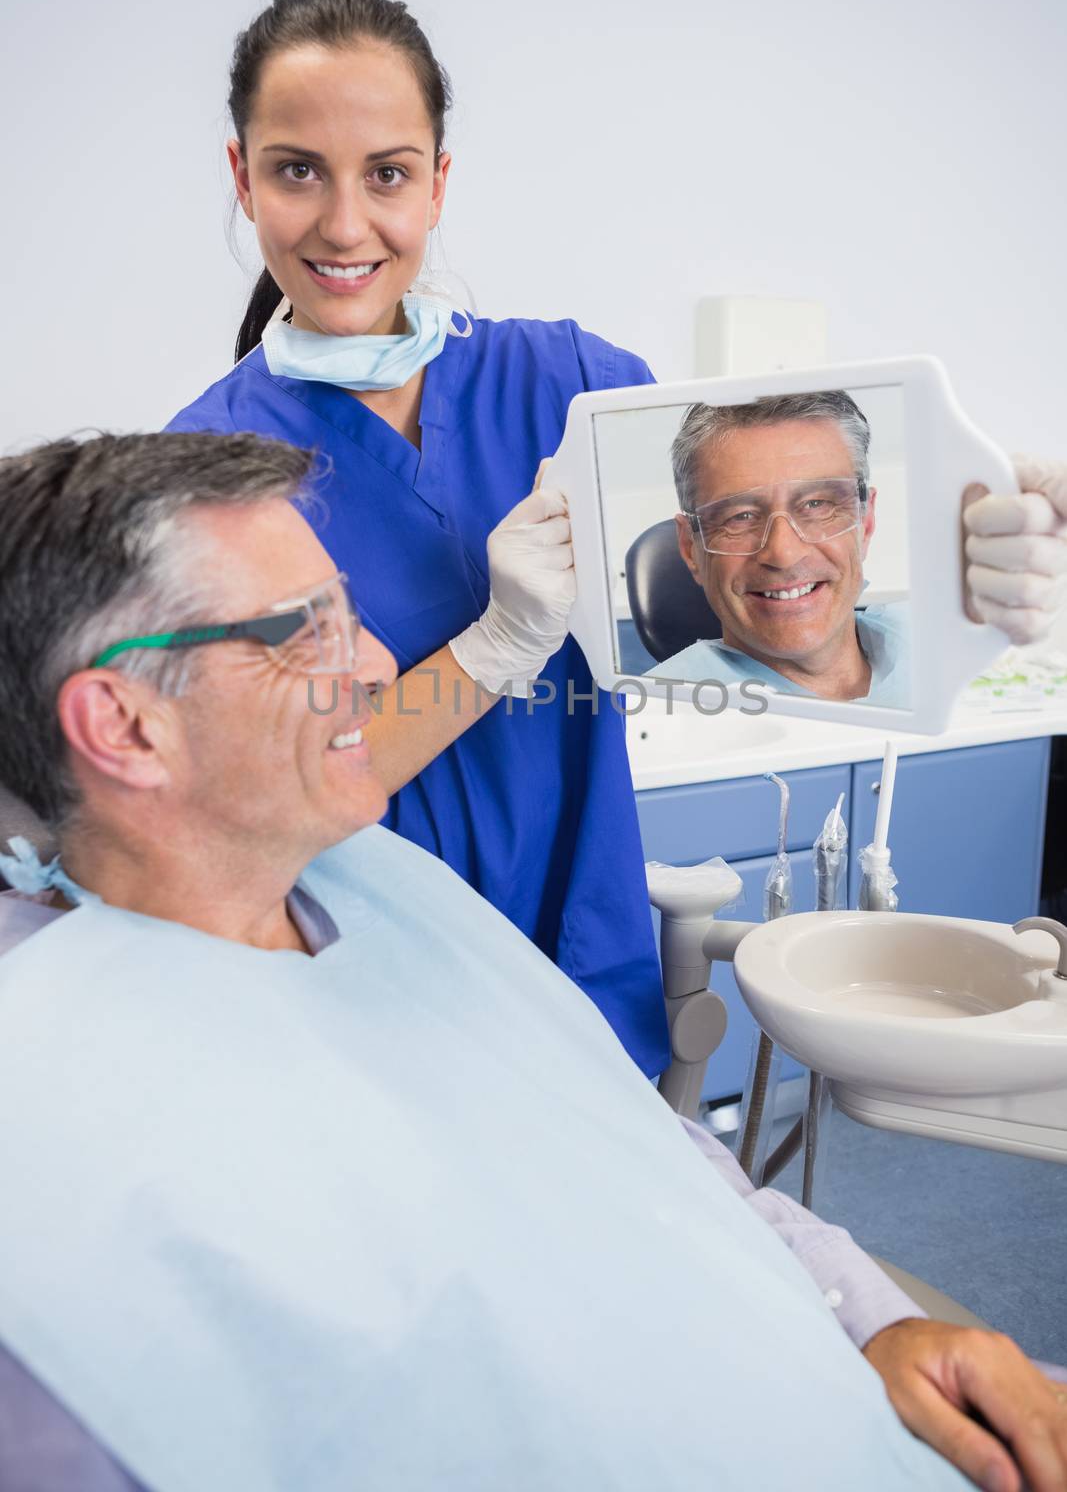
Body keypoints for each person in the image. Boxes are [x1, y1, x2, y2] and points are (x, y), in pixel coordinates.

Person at [0, 430, 1064, 1492]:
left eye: (351, 611)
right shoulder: (66, 1129)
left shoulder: (381, 884)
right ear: (124, 724)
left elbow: (643, 1144)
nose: (374, 664)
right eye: (305, 629)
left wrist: (865, 1316)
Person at [162, 0, 672, 1078]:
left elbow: (769, 561)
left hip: (582, 973)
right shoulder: (199, 472)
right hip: (363, 1010)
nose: (345, 225)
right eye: (298, 170)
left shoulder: (573, 384)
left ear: (437, 185)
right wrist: (491, 650)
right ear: (243, 179)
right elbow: (274, 801)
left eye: (386, 173)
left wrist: (957, 528)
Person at [653, 391, 911, 704]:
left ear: (865, 522)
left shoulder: (947, 644)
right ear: (690, 547)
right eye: (741, 517)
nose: (784, 554)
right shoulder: (655, 714)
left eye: (816, 505)